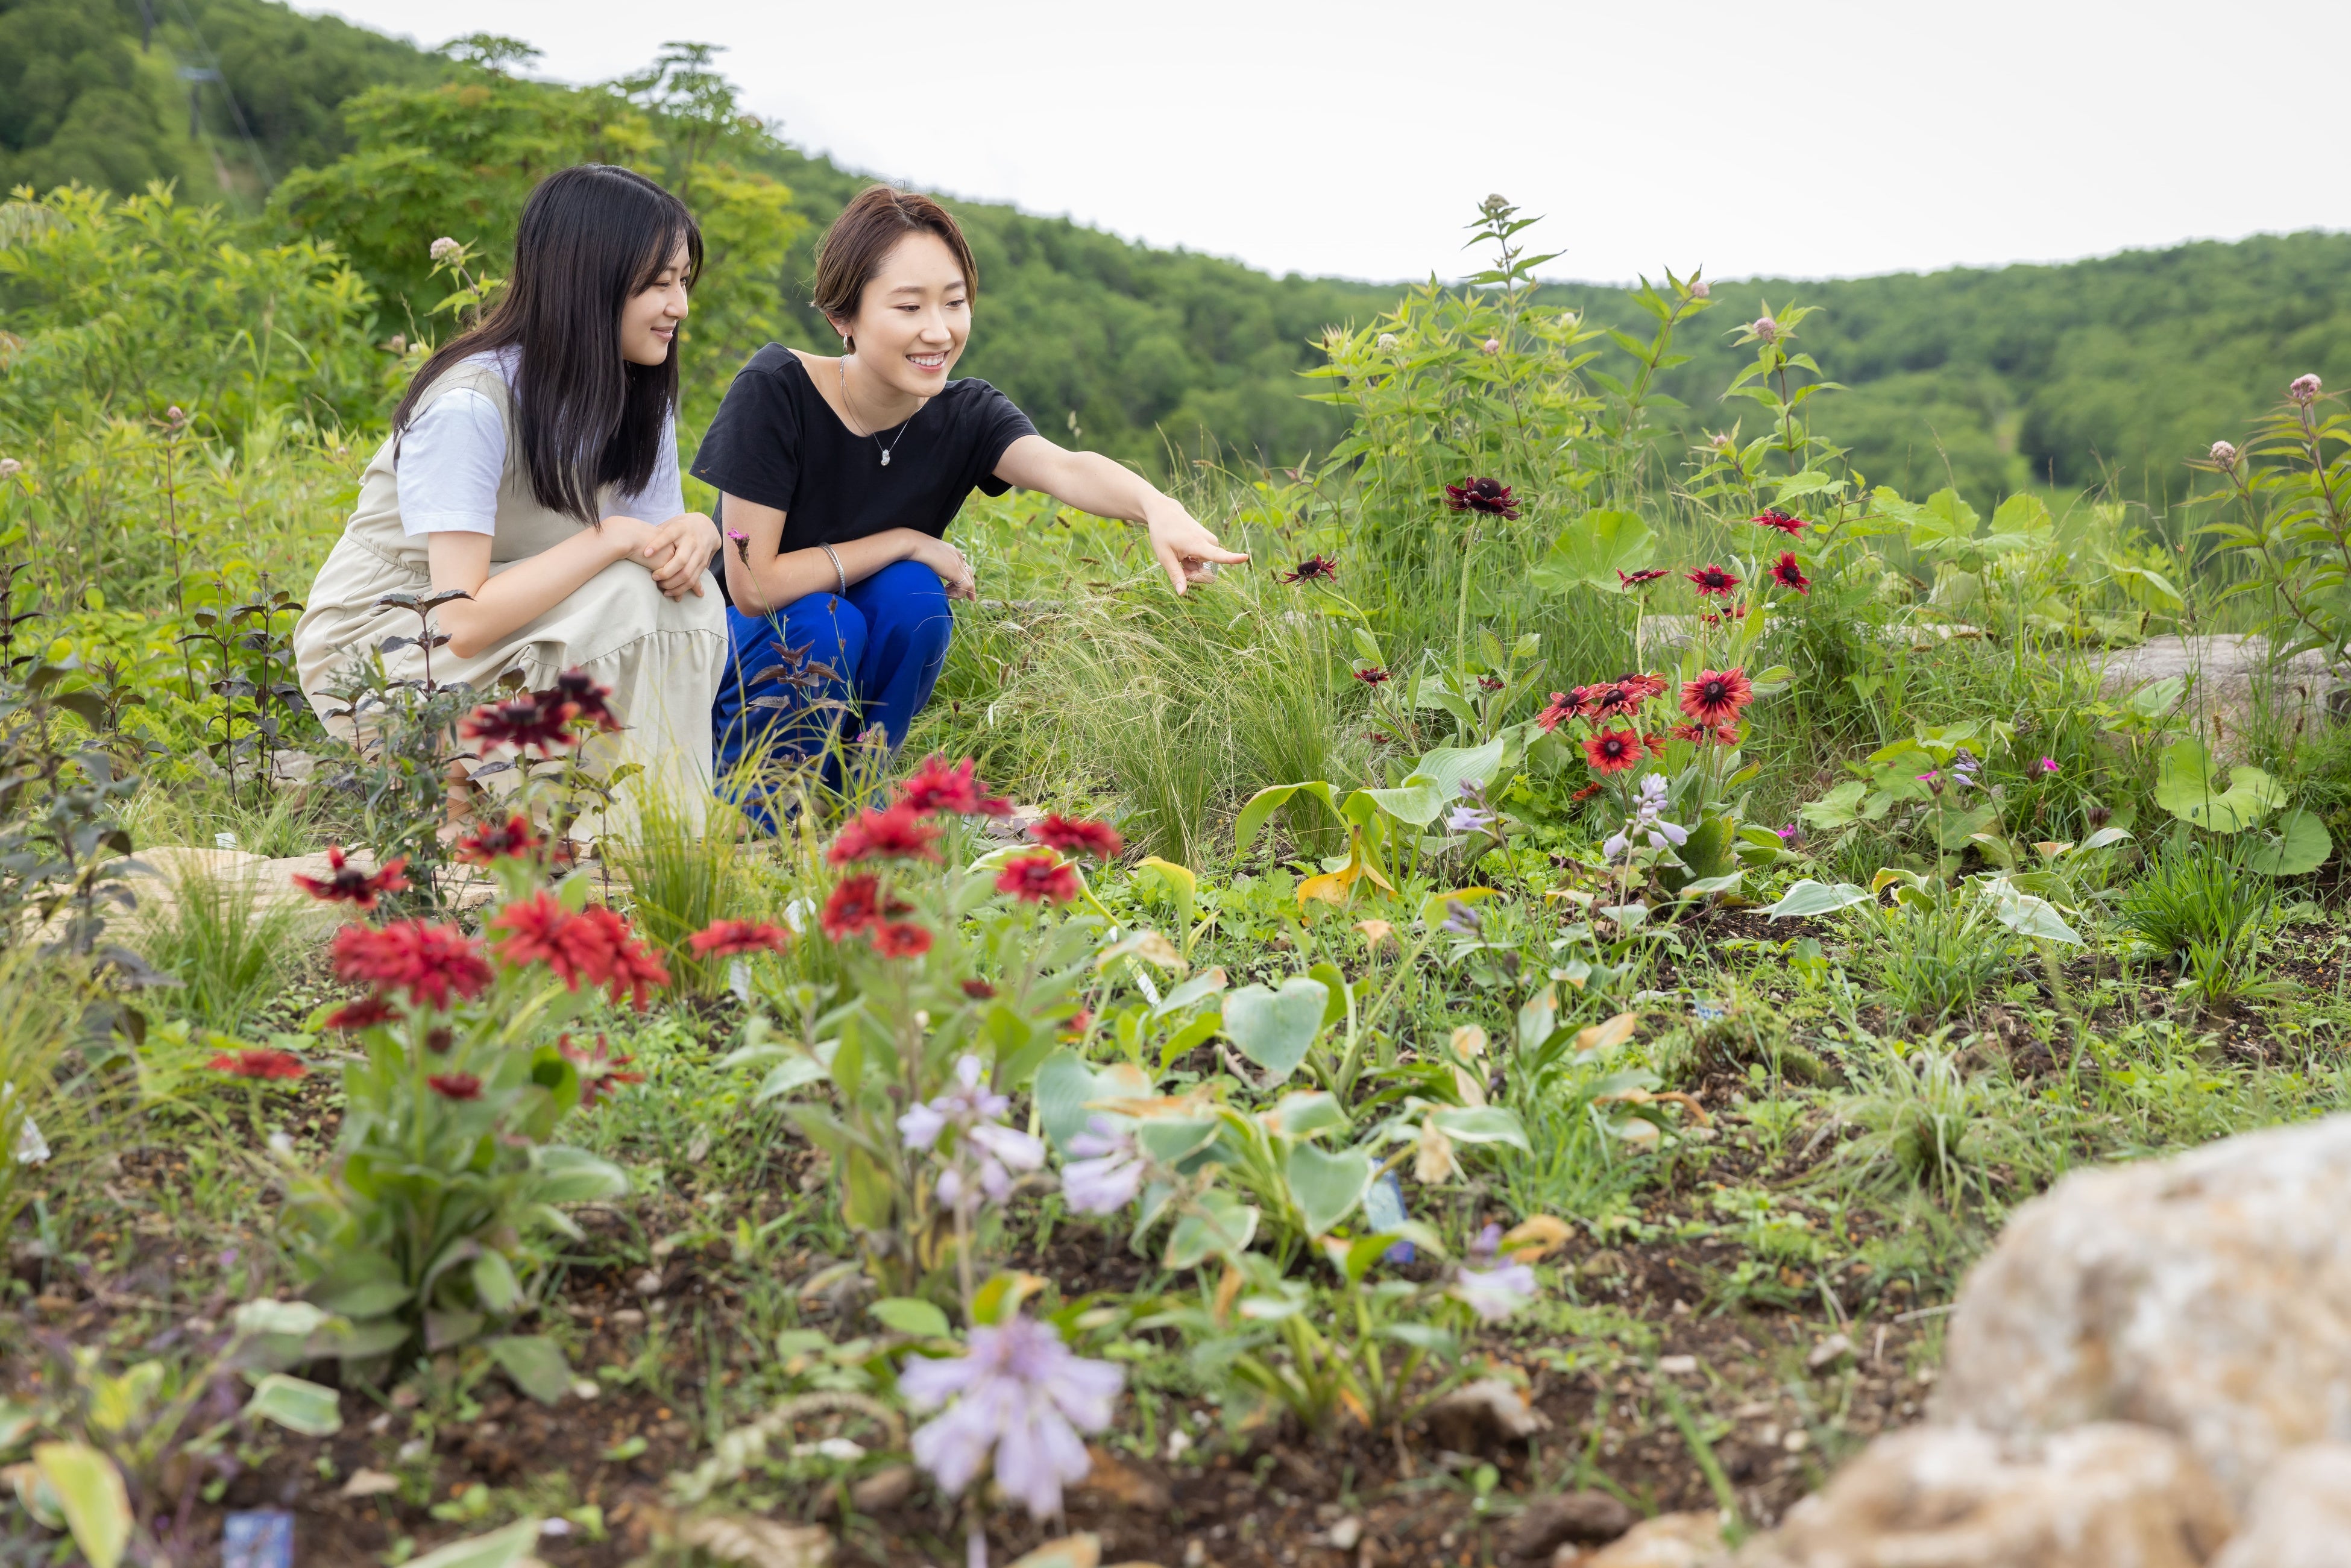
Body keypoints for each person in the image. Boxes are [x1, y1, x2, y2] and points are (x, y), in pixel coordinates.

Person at [690, 184, 1247, 819]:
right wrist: (906, 541)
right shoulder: (777, 392)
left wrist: (1157, 507)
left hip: (846, 641)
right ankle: (754, 812)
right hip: (743, 639)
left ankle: (853, 807)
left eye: (954, 303)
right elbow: (754, 584)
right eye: (908, 306)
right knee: (827, 622)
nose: (938, 330)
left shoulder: (966, 413)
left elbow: (1064, 466)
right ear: (842, 318)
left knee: (914, 599)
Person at [293, 163, 728, 828]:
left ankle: (659, 836)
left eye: (683, 283)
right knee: (621, 595)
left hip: (516, 614)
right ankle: (530, 811)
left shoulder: (636, 395)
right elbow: (458, 620)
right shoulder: (472, 404)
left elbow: (655, 555)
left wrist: (695, 532)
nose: (680, 306)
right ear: (590, 282)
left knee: (686, 595)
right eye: (658, 284)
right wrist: (610, 538)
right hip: (391, 644)